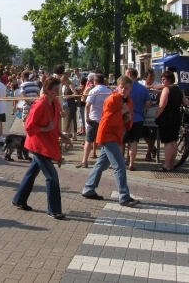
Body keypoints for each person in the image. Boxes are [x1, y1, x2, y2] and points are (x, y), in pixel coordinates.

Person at [12, 77, 71, 220]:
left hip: (47, 144)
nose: (58, 92)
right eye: (56, 90)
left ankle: (19, 199)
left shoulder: (54, 103)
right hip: (37, 145)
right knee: (52, 176)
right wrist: (45, 128)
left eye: (58, 90)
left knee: (32, 173)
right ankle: (54, 210)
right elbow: (28, 127)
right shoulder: (38, 105)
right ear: (48, 90)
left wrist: (61, 135)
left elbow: (54, 124)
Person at [81, 76, 140, 207]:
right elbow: (107, 120)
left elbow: (127, 121)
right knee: (119, 165)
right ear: (117, 87)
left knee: (101, 164)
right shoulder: (112, 99)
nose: (123, 89)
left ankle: (88, 189)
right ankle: (124, 196)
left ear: (131, 89)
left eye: (126, 87)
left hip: (115, 135)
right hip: (107, 135)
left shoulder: (129, 101)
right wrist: (122, 112)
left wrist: (127, 117)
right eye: (121, 87)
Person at [154, 70, 189, 171]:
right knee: (174, 141)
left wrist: (156, 116)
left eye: (164, 79)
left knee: (167, 142)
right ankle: (171, 164)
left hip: (166, 117)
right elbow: (186, 102)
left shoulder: (166, 90)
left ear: (169, 80)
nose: (162, 81)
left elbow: (162, 105)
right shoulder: (179, 90)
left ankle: (166, 165)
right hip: (177, 117)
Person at [124, 68, 153, 171]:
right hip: (138, 118)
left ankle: (121, 161)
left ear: (129, 74)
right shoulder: (143, 88)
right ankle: (131, 163)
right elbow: (148, 103)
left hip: (125, 118)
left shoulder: (125, 87)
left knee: (122, 141)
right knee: (134, 141)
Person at [61, 74, 78, 140]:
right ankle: (68, 133)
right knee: (67, 119)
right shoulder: (63, 87)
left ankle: (74, 135)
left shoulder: (70, 85)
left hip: (71, 104)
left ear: (65, 80)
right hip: (66, 104)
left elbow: (75, 93)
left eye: (63, 81)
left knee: (72, 119)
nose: (62, 83)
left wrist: (68, 97)